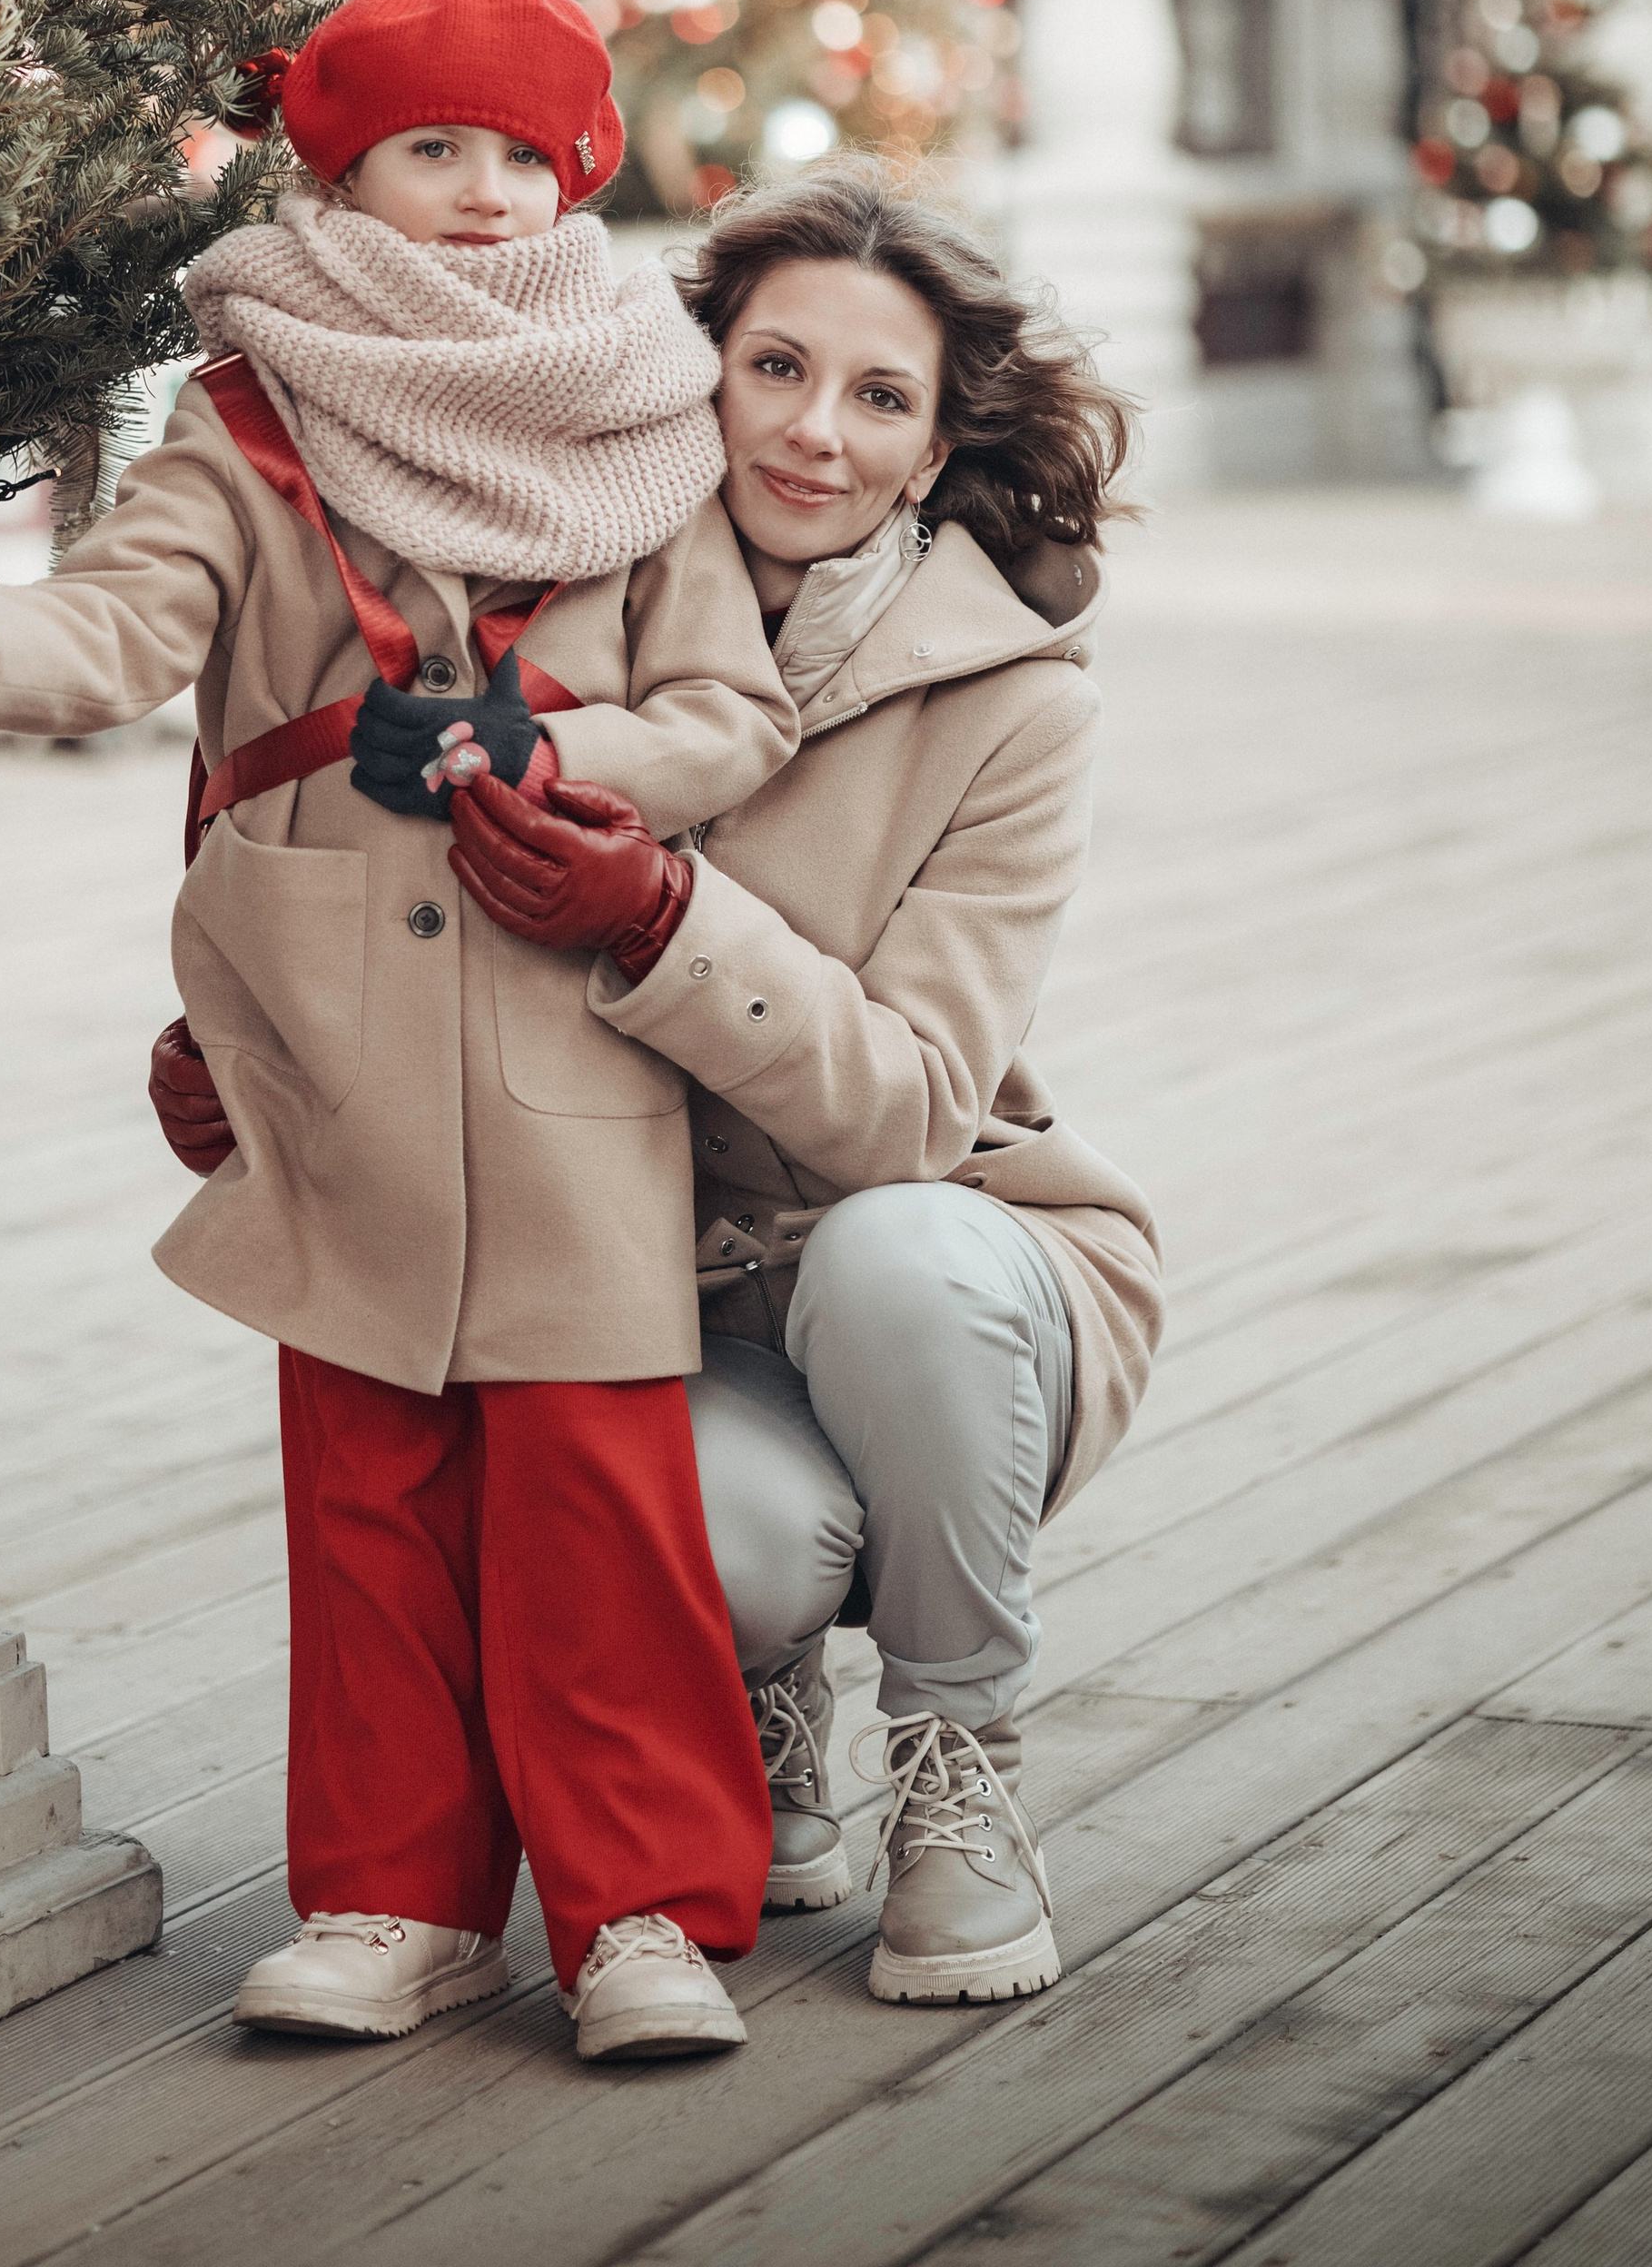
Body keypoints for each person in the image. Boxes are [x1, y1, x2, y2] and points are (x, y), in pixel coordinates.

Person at [0, 0, 798, 2066]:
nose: (480, 192)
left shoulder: (643, 415)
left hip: (564, 1016)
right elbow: (126, 626)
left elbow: (726, 717)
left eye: (521, 155)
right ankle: (395, 1900)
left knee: (595, 1491)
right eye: (428, 149)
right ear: (339, 169)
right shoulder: (246, 412)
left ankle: (642, 1913)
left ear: (577, 173)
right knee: (365, 1478)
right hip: (331, 1018)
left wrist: (556, 758)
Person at [442, 161, 1161, 2010]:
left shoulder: (1019, 705)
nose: (813, 434)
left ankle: (958, 1758)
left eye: (877, 397)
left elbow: (912, 1111)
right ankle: (760, 1694)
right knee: (689, 1518)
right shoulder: (554, 603)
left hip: (961, 1264)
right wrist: (243, 1066)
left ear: (933, 452)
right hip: (666, 1294)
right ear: (697, 375)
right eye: (774, 368)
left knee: (892, 1257)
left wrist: (662, 917)